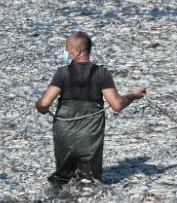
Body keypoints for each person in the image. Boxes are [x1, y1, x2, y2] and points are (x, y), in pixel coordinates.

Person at [36, 31, 147, 183]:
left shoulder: (62, 73)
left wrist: (39, 106)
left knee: (62, 179)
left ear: (78, 51)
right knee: (89, 181)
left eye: (67, 48)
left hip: (64, 135)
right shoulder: (102, 73)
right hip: (90, 136)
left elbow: (44, 104)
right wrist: (133, 95)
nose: (66, 52)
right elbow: (117, 105)